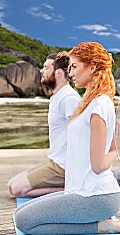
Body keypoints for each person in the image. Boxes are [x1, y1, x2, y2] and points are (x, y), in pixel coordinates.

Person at [14, 42, 120, 235]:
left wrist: (115, 152)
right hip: (79, 190)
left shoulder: (98, 106)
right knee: (20, 212)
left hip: (96, 196)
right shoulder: (89, 104)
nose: (70, 73)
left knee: (23, 221)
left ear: (92, 67)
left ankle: (102, 226)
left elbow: (98, 165)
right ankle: (101, 222)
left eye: (74, 66)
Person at [8, 52, 81, 197]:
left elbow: (82, 133)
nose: (41, 71)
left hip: (64, 167)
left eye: (46, 68)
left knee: (17, 189)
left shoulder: (69, 98)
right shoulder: (58, 96)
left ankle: (71, 189)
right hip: (55, 162)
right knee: (12, 185)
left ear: (58, 73)